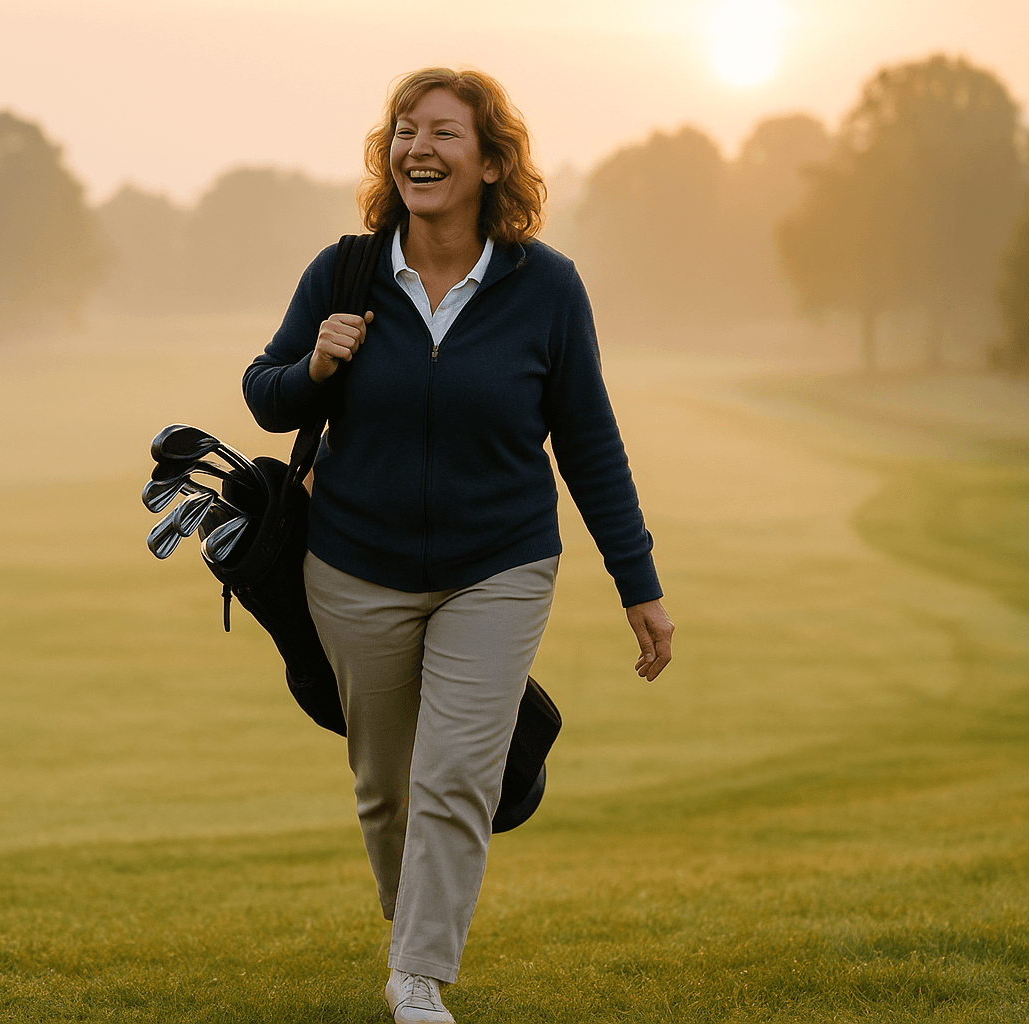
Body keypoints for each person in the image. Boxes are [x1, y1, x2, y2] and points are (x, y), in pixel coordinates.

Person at [242, 67, 674, 1024]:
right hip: (356, 569)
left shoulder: (546, 288)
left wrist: (636, 583)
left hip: (501, 566)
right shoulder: (344, 272)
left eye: (442, 131)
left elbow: (590, 444)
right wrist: (315, 363)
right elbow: (264, 394)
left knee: (455, 772)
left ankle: (419, 979)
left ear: (489, 161)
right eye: (403, 129)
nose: (417, 147)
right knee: (386, 786)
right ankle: (413, 955)